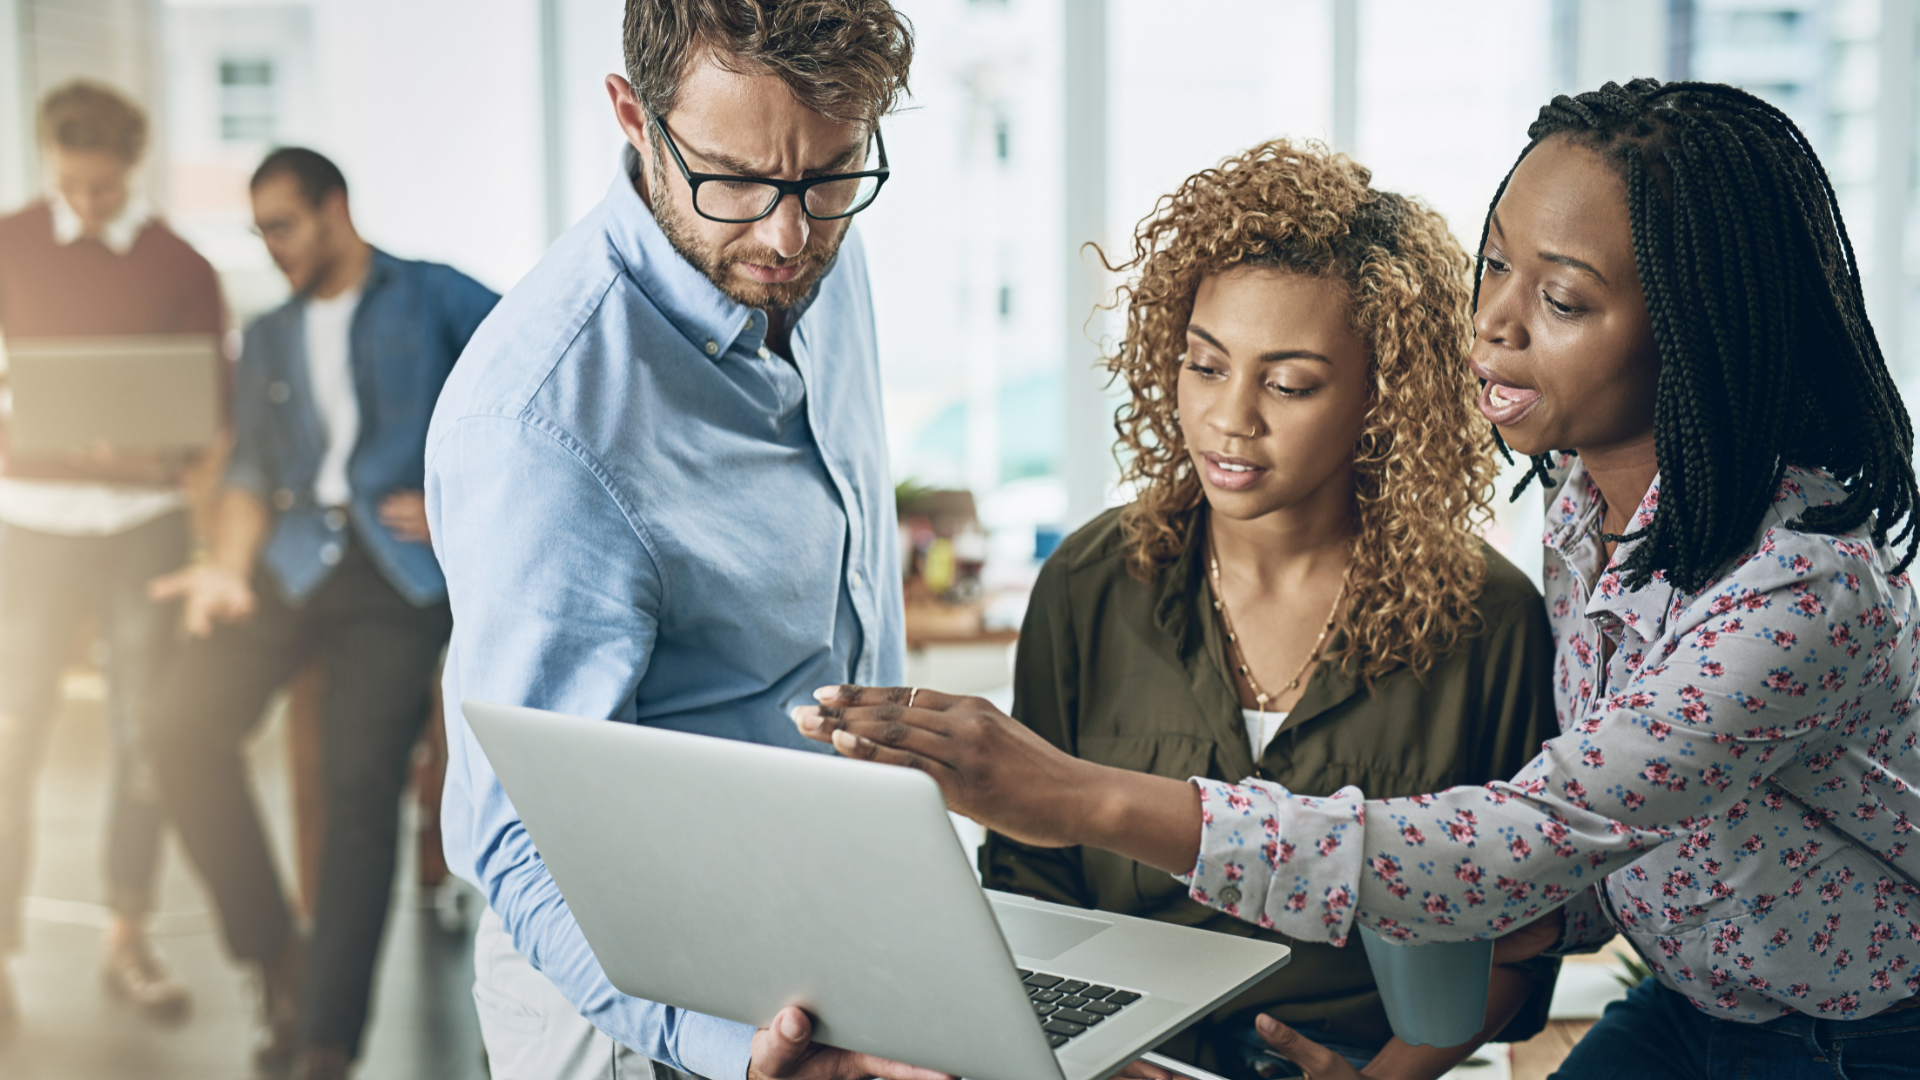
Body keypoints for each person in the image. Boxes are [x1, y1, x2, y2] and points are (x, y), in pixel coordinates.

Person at [796, 79, 1920, 1080]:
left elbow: (1524, 837)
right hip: (1688, 1009)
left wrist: (1074, 793)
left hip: (1854, 1040)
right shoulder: (1590, 512)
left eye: (1563, 302)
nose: (1489, 323)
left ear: (1697, 334)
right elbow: (1595, 863)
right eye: (1493, 268)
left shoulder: (1801, 595)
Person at [425, 4, 941, 1080]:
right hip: (639, 1017)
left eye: (831, 173)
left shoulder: (813, 249)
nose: (787, 237)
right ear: (633, 117)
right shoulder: (540, 423)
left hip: (842, 944)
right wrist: (726, 1046)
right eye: (736, 180)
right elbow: (518, 840)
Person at [982, 140, 1563, 1080]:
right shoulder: (1090, 582)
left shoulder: (1489, 620)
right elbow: (1027, 881)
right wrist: (1088, 1057)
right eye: (1206, 367)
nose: (1230, 419)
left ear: (1384, 397)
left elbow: (1517, 935)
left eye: (1288, 384)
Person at [143, 147, 497, 1080]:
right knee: (175, 726)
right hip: (291, 564)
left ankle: (325, 1041)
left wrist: (458, 495)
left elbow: (530, 397)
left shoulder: (435, 297)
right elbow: (251, 475)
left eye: (283, 225)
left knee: (355, 788)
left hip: (398, 576)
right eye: (259, 232)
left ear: (335, 208)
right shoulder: (266, 337)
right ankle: (276, 955)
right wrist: (225, 568)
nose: (272, 248)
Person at [0, 80, 224, 1029]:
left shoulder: (182, 264)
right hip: (27, 521)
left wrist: (147, 453)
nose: (86, 205)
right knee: (11, 735)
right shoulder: (8, 243)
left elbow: (211, 415)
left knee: (144, 735)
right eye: (72, 186)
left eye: (102, 187)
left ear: (131, 167)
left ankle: (126, 933)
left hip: (142, 522)